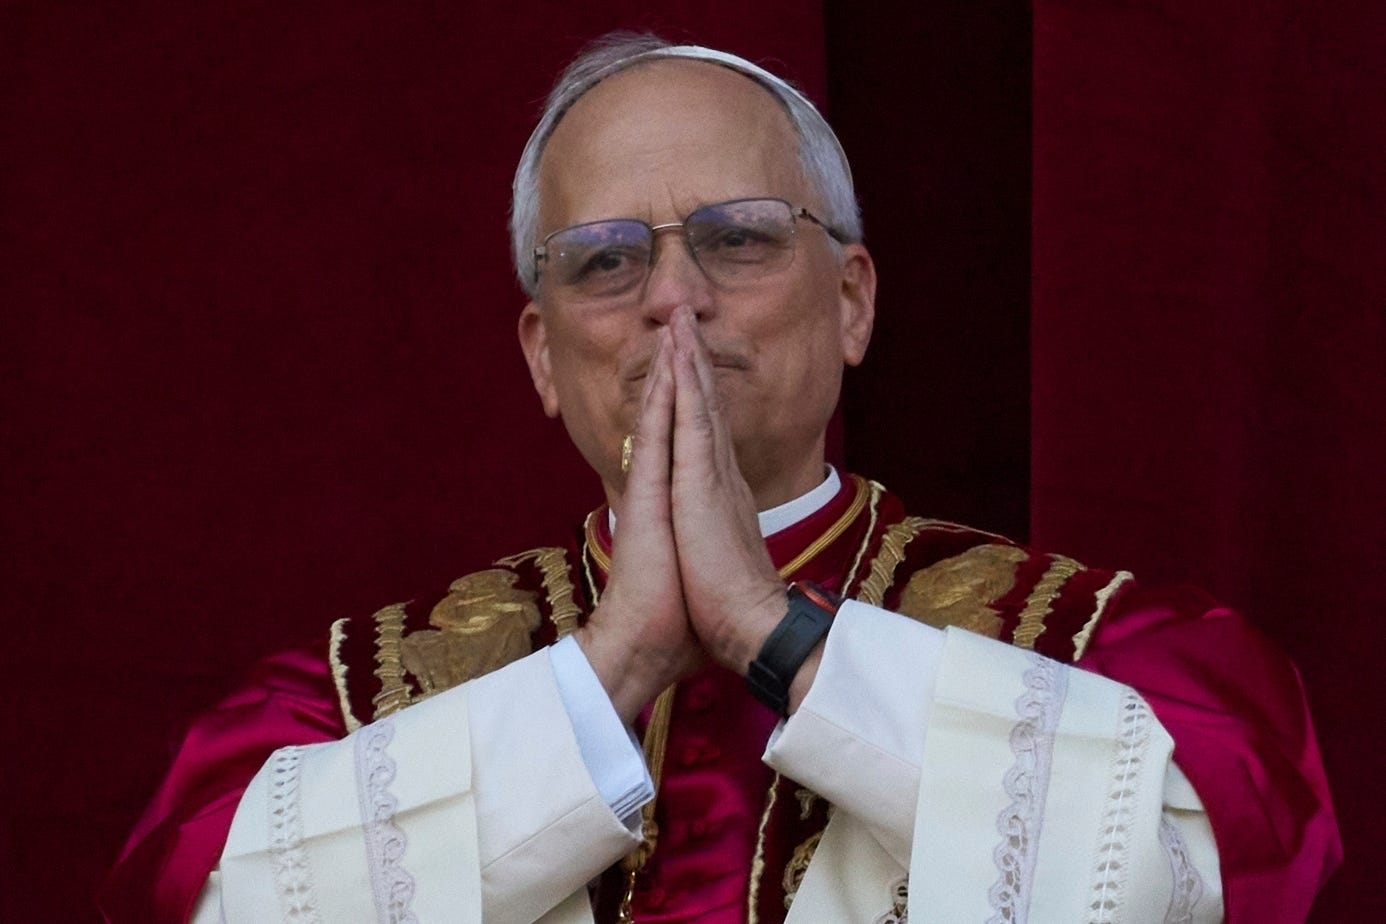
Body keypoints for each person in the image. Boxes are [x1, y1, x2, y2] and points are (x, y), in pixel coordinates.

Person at [100, 34, 1341, 924]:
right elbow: (207, 894)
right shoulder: (349, 698)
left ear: (852, 302)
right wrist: (616, 666)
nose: (674, 300)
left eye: (738, 239)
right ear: (542, 354)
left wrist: (772, 631)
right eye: (604, 263)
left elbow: (1225, 856)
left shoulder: (1101, 647)